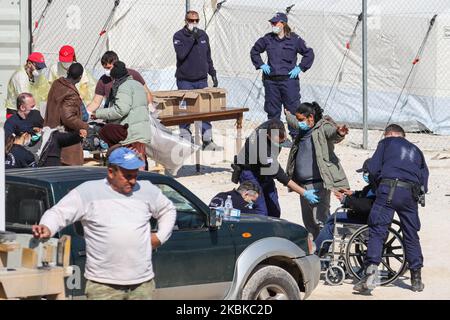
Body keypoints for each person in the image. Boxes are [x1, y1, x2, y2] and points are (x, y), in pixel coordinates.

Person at [32, 147, 176, 300]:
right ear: (111, 172)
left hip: (142, 284)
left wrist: (160, 236)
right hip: (103, 286)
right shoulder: (89, 192)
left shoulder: (146, 189)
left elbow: (168, 210)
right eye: (127, 176)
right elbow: (59, 213)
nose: (133, 181)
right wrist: (47, 226)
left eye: (135, 175)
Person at [354, 124, 429, 294]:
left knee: (378, 230)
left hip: (389, 190)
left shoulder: (386, 143)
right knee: (411, 234)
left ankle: (371, 275)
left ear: (390, 134)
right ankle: (416, 278)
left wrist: (375, 187)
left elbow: (373, 169)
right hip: (411, 195)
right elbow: (424, 179)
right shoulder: (417, 150)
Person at [285, 102, 349, 239]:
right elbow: (292, 121)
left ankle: (325, 254)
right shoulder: (303, 129)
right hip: (302, 186)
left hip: (318, 184)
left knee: (320, 220)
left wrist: (339, 133)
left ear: (311, 118)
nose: (298, 123)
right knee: (309, 222)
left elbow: (332, 134)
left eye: (301, 120)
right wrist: (287, 114)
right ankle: (316, 250)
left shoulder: (322, 127)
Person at [232, 119, 319, 218]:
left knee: (274, 211)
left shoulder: (275, 125)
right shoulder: (261, 148)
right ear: (268, 136)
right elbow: (281, 176)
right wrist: (304, 193)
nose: (280, 145)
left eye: (282, 141)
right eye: (277, 143)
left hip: (265, 171)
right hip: (250, 172)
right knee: (260, 211)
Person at [250, 12, 315, 144]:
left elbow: (309, 53)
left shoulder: (295, 39)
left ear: (283, 24)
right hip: (271, 81)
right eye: (271, 23)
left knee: (294, 111)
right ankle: (275, 138)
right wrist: (261, 64)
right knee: (273, 111)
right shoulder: (267, 39)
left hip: (289, 82)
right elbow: (254, 51)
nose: (272, 25)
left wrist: (301, 67)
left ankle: (296, 138)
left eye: (275, 23)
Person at [173, 10, 222, 151]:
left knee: (204, 111)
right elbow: (181, 55)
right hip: (185, 80)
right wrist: (191, 38)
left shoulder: (203, 35)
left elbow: (208, 56)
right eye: (191, 20)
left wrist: (212, 73)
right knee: (185, 110)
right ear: (185, 20)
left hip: (201, 80)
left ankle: (207, 140)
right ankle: (185, 139)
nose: (194, 23)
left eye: (196, 21)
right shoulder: (179, 36)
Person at [93, 61, 151, 169]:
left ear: (116, 77)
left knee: (133, 164)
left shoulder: (124, 87)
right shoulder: (137, 84)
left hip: (132, 133)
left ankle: (138, 182)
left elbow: (121, 110)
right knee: (140, 161)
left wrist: (98, 114)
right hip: (141, 131)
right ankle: (142, 182)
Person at [315, 159, 376, 255]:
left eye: (366, 172)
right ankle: (321, 249)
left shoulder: (376, 189)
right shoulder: (374, 187)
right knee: (332, 219)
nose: (364, 175)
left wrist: (346, 200)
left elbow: (365, 205)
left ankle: (318, 252)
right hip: (364, 217)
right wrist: (354, 193)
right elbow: (365, 197)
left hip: (363, 220)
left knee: (331, 223)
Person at [44, 63, 89, 166]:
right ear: (80, 77)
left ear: (67, 72)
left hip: (50, 135)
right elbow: (68, 117)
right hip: (66, 142)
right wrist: (85, 126)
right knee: (70, 173)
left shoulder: (56, 84)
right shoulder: (71, 93)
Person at [87, 51, 153, 113]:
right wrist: (86, 113)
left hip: (134, 111)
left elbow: (146, 92)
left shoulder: (133, 74)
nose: (106, 71)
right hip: (115, 112)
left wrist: (150, 106)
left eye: (108, 68)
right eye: (105, 68)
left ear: (116, 64)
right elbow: (96, 102)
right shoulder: (103, 80)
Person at [4, 52, 50, 117]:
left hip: (28, 110)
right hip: (15, 112)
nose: (39, 70)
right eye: (38, 68)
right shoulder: (20, 76)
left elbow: (43, 91)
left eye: (40, 68)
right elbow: (24, 99)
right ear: (29, 64)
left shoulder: (35, 75)